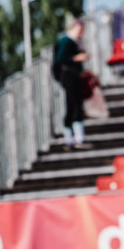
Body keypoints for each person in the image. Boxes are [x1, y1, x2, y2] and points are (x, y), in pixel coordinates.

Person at [54, 16, 91, 149]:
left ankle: (70, 138)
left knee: (72, 105)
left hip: (73, 76)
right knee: (75, 105)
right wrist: (76, 58)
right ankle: (77, 138)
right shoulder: (67, 41)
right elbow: (61, 59)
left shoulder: (75, 41)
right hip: (69, 76)